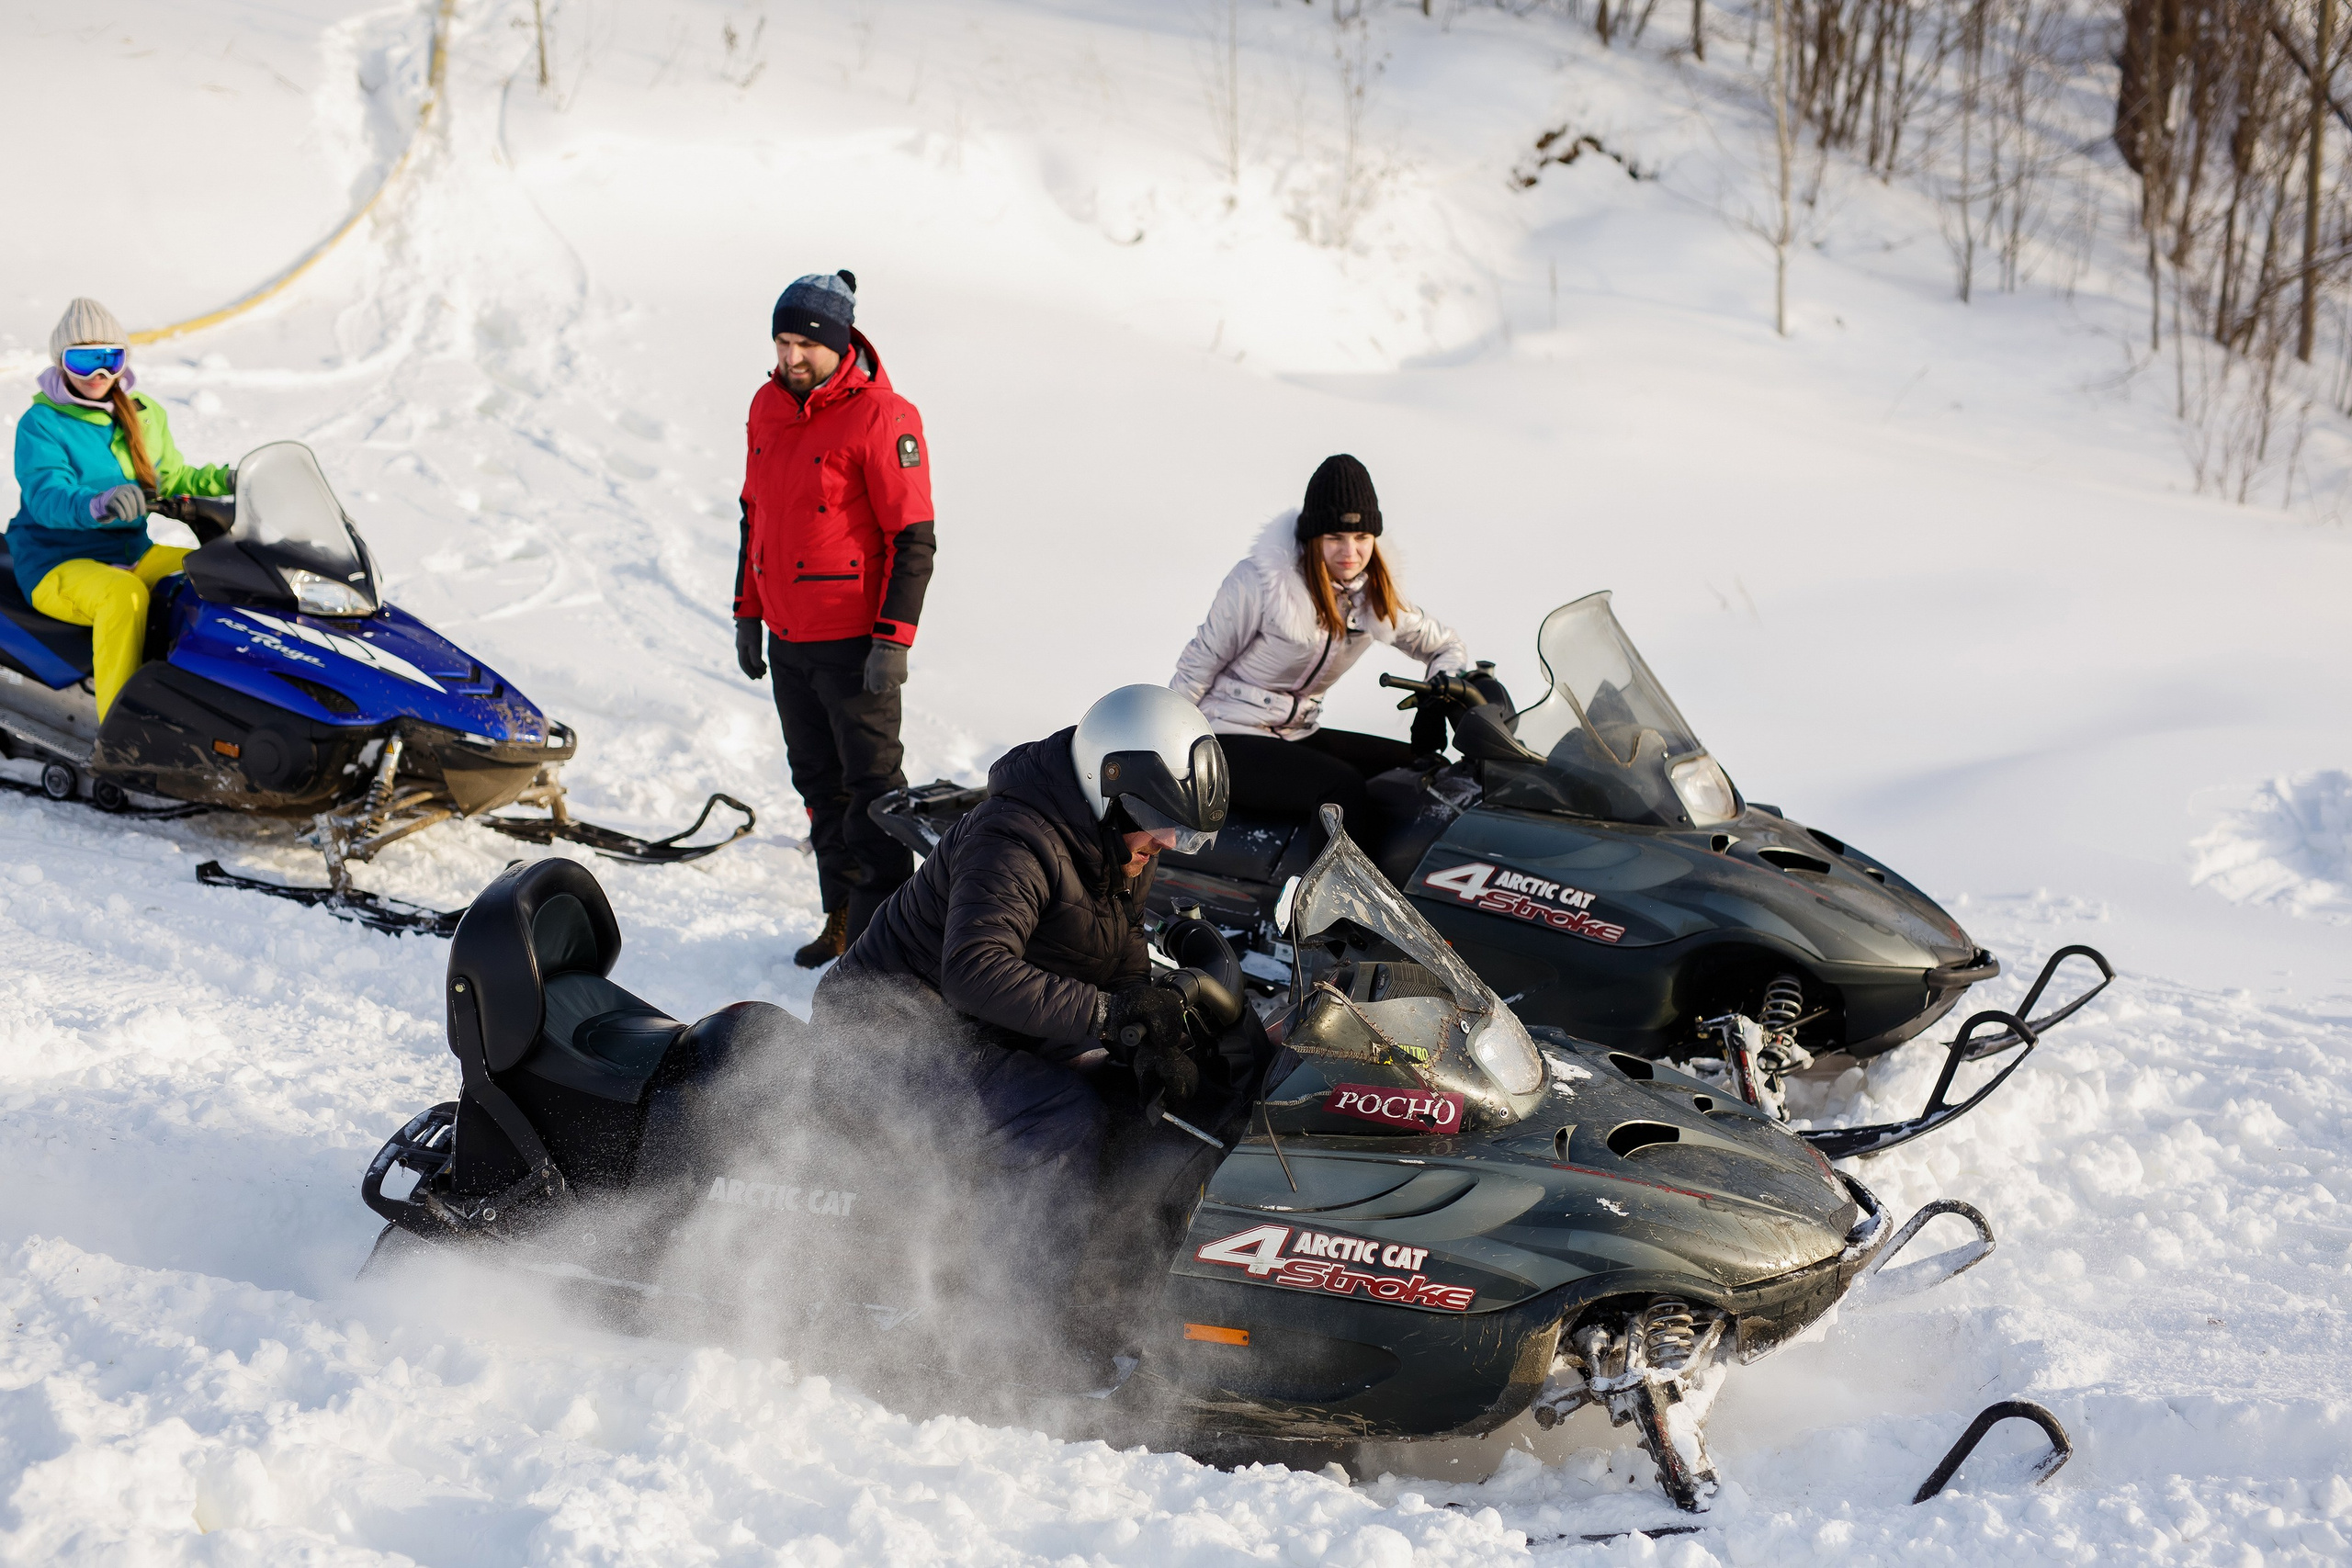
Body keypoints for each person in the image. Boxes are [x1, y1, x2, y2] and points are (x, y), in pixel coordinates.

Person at [812, 684, 1228, 1238]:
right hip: (882, 1038)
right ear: (1110, 792)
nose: (1170, 841)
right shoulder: (1012, 838)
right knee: (1058, 1114)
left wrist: (1148, 1040)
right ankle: (1021, 1302)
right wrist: (1109, 1016)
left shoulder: (1118, 843)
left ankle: (1125, 1265)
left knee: (1138, 1097)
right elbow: (975, 970)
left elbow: (1121, 949)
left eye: (1183, 830)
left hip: (979, 1031)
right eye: (1162, 821)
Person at [733, 270, 937, 968]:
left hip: (856, 647)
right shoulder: (767, 406)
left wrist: (893, 640)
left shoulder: (884, 417)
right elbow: (753, 517)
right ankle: (843, 921)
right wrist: (747, 616)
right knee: (819, 787)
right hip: (791, 642)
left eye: (803, 345)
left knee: (874, 794)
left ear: (839, 342)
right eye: (781, 341)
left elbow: (913, 538)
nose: (789, 358)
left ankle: (891, 943)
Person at [1169, 452, 1470, 840]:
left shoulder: (1372, 596)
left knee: (1419, 770)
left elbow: (1445, 645)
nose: (1350, 552)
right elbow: (1199, 662)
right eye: (1335, 538)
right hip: (1224, 738)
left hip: (1296, 734)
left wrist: (1438, 694)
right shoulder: (1261, 583)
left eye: (1362, 538)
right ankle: (1324, 901)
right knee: (1338, 789)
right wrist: (1169, 748)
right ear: (1313, 539)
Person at [8, 298, 233, 717]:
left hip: (131, 553)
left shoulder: (144, 414)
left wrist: (228, 480)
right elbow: (47, 498)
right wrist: (99, 504)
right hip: (56, 562)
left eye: (109, 358)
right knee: (123, 595)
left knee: (217, 575)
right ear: (61, 362)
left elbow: (171, 477)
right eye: (84, 360)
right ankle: (117, 731)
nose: (99, 374)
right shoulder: (42, 424)